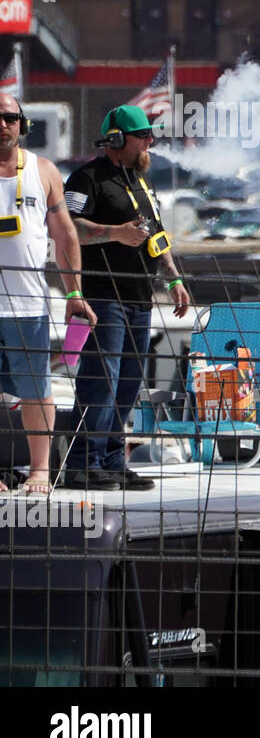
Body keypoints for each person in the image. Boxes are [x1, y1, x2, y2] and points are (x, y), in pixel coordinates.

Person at [62, 106, 191, 490]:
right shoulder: (86, 178)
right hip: (103, 296)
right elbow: (69, 229)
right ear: (117, 139)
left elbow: (156, 235)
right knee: (101, 380)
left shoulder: (140, 181)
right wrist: (115, 233)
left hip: (139, 299)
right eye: (143, 135)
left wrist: (173, 280)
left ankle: (114, 462)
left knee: (129, 384)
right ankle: (83, 464)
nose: (150, 141)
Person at [0, 93, 95, 496]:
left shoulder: (44, 171)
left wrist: (74, 292)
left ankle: (40, 470)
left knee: (36, 387)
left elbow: (65, 235)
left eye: (9, 117)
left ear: (22, 125)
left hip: (28, 304)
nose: (2, 123)